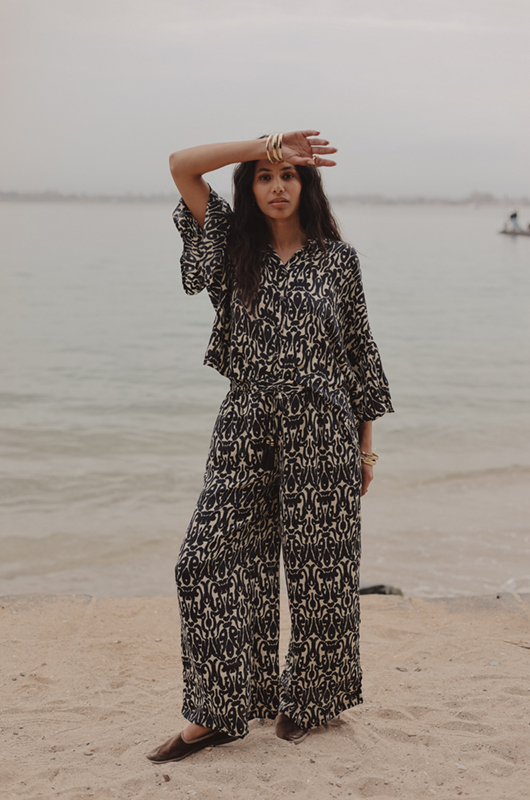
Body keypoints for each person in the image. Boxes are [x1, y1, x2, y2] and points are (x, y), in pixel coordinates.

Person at [147, 130, 393, 763]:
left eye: (288, 176)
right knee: (205, 561)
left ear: (306, 188)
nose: (277, 186)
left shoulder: (338, 260)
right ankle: (219, 710)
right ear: (248, 187)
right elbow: (180, 166)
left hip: (325, 430)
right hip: (246, 423)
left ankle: (306, 700)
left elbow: (360, 355)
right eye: (263, 175)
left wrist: (366, 447)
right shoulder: (232, 250)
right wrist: (264, 140)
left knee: (321, 575)